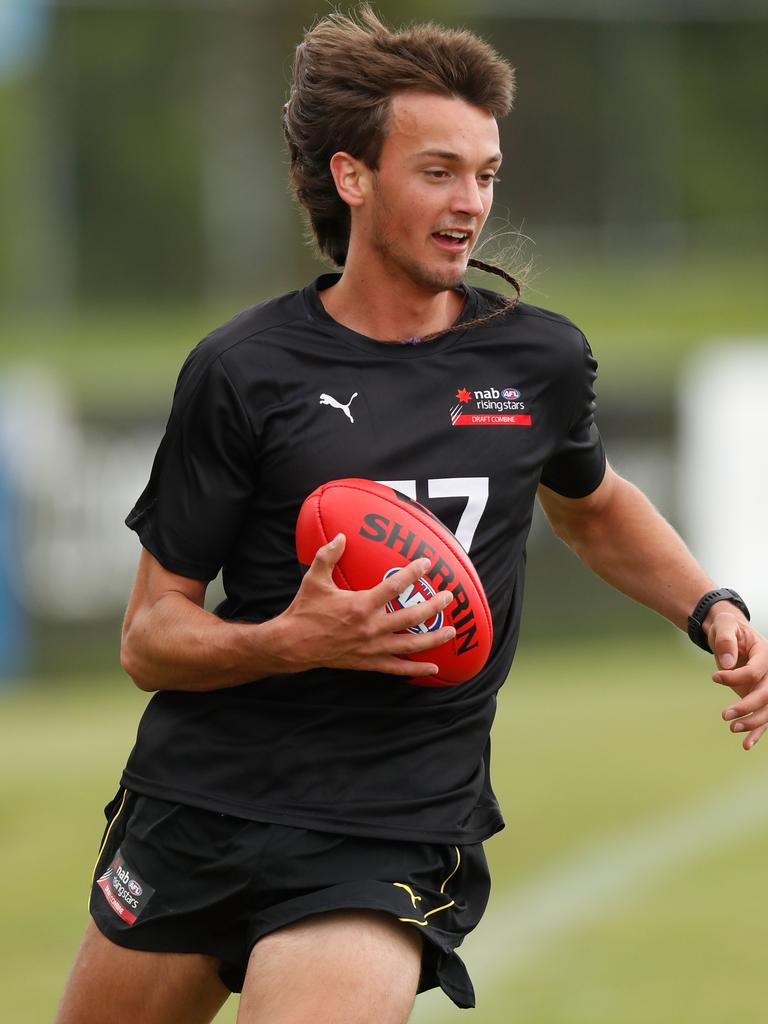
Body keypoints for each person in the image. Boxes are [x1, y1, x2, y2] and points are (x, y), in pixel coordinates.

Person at [56, 7, 768, 1024]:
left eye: (485, 173)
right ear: (353, 177)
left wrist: (711, 606)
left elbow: (594, 506)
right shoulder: (245, 371)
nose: (471, 202)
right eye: (439, 170)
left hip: (388, 827)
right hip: (199, 803)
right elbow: (150, 635)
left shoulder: (538, 360)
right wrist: (295, 639)